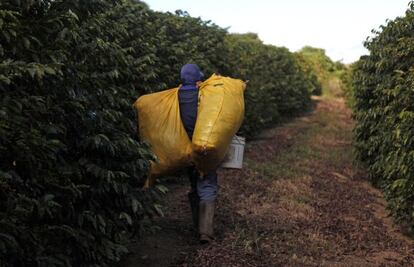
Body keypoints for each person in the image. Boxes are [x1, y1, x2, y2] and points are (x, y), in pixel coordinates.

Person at [178, 63, 218, 244]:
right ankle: (205, 231)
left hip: (184, 148)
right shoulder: (205, 95)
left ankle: (196, 226)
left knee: (194, 183)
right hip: (204, 146)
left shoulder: (174, 97)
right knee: (207, 182)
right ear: (198, 80)